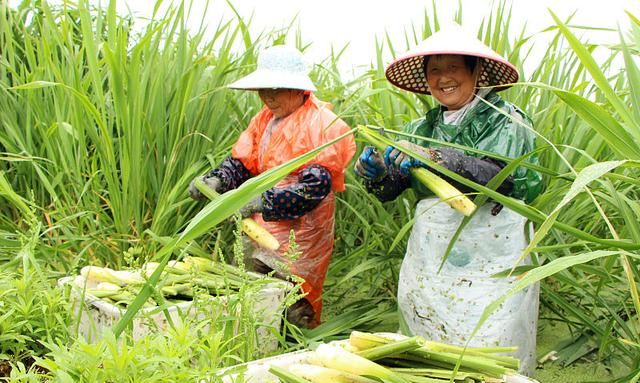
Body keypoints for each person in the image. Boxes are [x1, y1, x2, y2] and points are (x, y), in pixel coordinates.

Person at [354, 25, 543, 375]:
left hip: (494, 256)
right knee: (430, 344)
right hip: (433, 256)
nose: (444, 78)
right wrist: (379, 173)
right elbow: (399, 184)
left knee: (491, 343)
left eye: (453, 67)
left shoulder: (506, 121)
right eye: (435, 70)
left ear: (475, 71)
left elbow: (510, 178)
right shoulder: (420, 128)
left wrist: (438, 158)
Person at [189, 45, 356, 328]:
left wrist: (259, 201)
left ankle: (298, 350)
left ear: (297, 88)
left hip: (302, 233)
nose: (268, 96)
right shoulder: (264, 119)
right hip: (261, 226)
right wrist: (217, 179)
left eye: (276, 88)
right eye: (263, 88)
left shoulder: (323, 125)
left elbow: (313, 189)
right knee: (251, 289)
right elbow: (243, 163)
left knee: (292, 299)